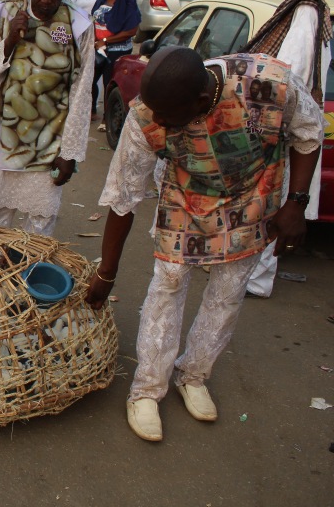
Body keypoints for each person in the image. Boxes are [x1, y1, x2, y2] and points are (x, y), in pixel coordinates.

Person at [86, 47, 324, 442]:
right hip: (187, 193)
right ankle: (147, 389)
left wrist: (296, 203)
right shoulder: (147, 113)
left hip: (252, 195)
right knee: (170, 281)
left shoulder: (271, 84)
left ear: (199, 101)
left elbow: (309, 133)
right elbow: (124, 195)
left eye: (166, 115)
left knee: (228, 291)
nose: (156, 119)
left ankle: (193, 374)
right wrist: (106, 273)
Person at [0, 0, 95, 235]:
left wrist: (71, 153)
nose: (46, 0)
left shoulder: (78, 24)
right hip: (3, 139)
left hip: (49, 145)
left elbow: (81, 89)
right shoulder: (4, 10)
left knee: (38, 228)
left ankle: (30, 275)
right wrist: (10, 41)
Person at [242, 0, 333, 299]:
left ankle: (256, 279)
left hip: (279, 129)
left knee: (271, 200)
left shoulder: (305, 13)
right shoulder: (297, 8)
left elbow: (285, 76)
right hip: (280, 127)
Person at [90, 0, 140, 119]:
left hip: (116, 50)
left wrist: (105, 41)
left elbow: (131, 31)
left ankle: (108, 117)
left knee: (108, 83)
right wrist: (94, 38)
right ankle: (91, 111)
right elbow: (94, 19)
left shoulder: (127, 4)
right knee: (89, 80)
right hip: (98, 47)